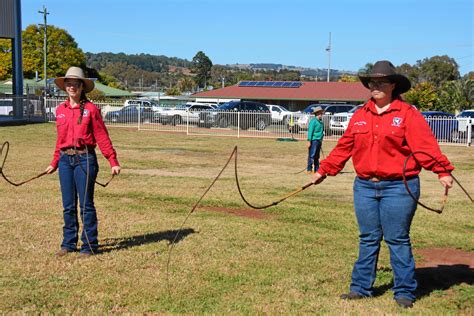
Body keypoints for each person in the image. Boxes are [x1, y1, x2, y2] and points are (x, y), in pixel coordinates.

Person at [311, 60, 454, 309]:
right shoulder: (360, 115)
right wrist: (324, 170)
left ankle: (405, 292)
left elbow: (424, 147)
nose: (374, 86)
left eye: (380, 82)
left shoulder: (408, 115)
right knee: (368, 238)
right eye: (371, 82)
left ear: (393, 85)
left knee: (397, 238)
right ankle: (360, 288)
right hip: (365, 186)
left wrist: (442, 171)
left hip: (400, 187)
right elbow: (345, 147)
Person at [45, 66, 121, 258]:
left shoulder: (91, 109)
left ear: (81, 87)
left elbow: (102, 136)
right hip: (64, 161)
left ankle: (89, 245)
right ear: (65, 87)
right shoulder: (60, 110)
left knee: (86, 205)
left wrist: (112, 160)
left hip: (85, 159)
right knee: (68, 205)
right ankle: (68, 243)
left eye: (75, 84)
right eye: (68, 84)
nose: (72, 87)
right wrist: (54, 162)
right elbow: (59, 140)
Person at [306, 106, 324, 173]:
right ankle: (309, 169)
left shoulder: (320, 122)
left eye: (322, 113)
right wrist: (309, 141)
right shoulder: (313, 121)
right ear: (317, 113)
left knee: (317, 156)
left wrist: (321, 140)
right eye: (321, 113)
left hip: (319, 141)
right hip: (314, 140)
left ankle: (316, 169)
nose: (321, 114)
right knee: (312, 155)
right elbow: (310, 131)